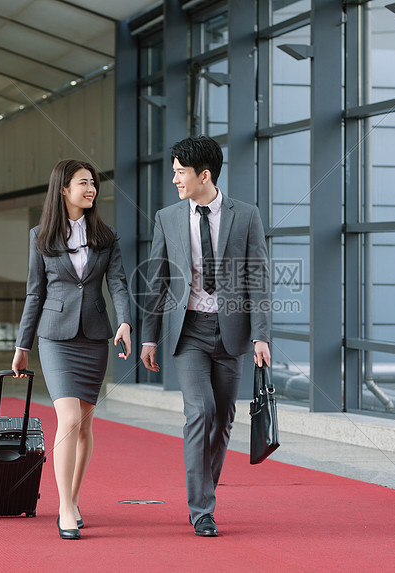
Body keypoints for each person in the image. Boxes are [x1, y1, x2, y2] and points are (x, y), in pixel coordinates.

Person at [140, 135, 271, 537]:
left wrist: (261, 335)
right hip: (189, 332)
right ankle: (202, 510)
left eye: (180, 173)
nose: (175, 180)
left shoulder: (245, 215)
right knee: (200, 411)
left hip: (231, 333)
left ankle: (202, 492)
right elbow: (157, 280)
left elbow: (259, 278)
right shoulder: (168, 217)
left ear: (204, 175)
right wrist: (149, 337)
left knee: (224, 417)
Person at [12, 159, 132, 541]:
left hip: (94, 336)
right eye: (83, 183)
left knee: (84, 425)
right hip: (55, 337)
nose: (91, 188)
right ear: (63, 188)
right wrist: (22, 345)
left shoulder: (106, 235)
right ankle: (64, 506)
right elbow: (35, 294)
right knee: (67, 420)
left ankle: (74, 497)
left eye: (93, 183)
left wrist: (126, 322)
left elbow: (119, 284)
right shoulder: (40, 236)